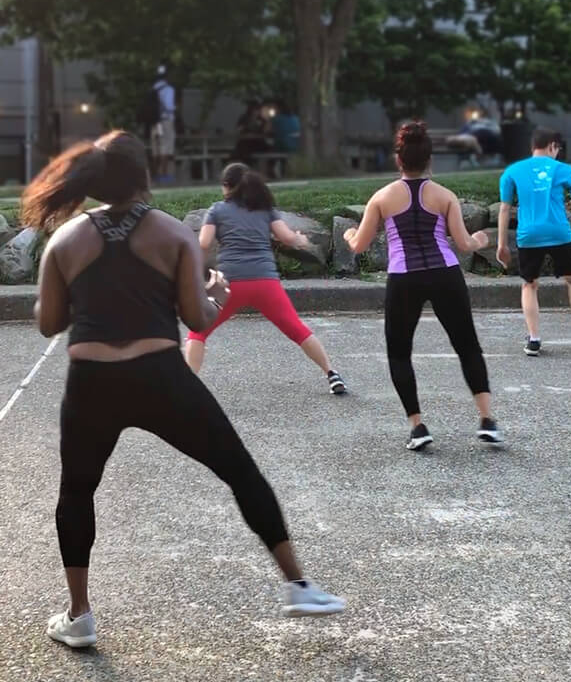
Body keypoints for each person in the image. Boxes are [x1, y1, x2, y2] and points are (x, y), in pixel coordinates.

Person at [22, 131, 344, 649]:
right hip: (159, 375)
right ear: (145, 176)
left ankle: (79, 614)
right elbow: (196, 317)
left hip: (92, 382)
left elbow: (48, 324)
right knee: (239, 470)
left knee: (77, 492)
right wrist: (214, 292)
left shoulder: (65, 241)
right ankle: (298, 584)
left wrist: (51, 300)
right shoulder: (171, 233)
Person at [343, 121, 501, 450]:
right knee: (467, 345)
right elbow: (462, 243)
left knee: (399, 353)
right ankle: (487, 419)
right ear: (430, 160)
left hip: (404, 278)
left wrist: (347, 236)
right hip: (445, 273)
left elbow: (358, 246)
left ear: (399, 160)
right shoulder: (444, 195)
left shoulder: (382, 197)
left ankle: (418, 426)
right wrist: (480, 239)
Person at [184, 163, 347, 395]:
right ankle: (332, 374)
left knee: (197, 332)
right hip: (265, 281)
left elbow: (203, 243)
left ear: (226, 187)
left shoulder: (217, 210)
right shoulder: (264, 209)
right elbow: (288, 238)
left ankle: (187, 387)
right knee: (297, 330)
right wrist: (300, 240)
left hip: (227, 281)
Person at [497, 128, 571, 356]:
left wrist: (501, 244)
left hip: (529, 235)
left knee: (529, 284)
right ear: (553, 146)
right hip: (558, 233)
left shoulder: (513, 171)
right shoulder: (560, 168)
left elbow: (504, 208)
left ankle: (534, 339)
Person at [151, 65, 177, 183]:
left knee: (156, 148)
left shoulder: (153, 88)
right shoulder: (169, 89)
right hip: (165, 121)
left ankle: (155, 174)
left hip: (155, 123)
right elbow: (169, 106)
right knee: (166, 148)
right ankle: (164, 175)